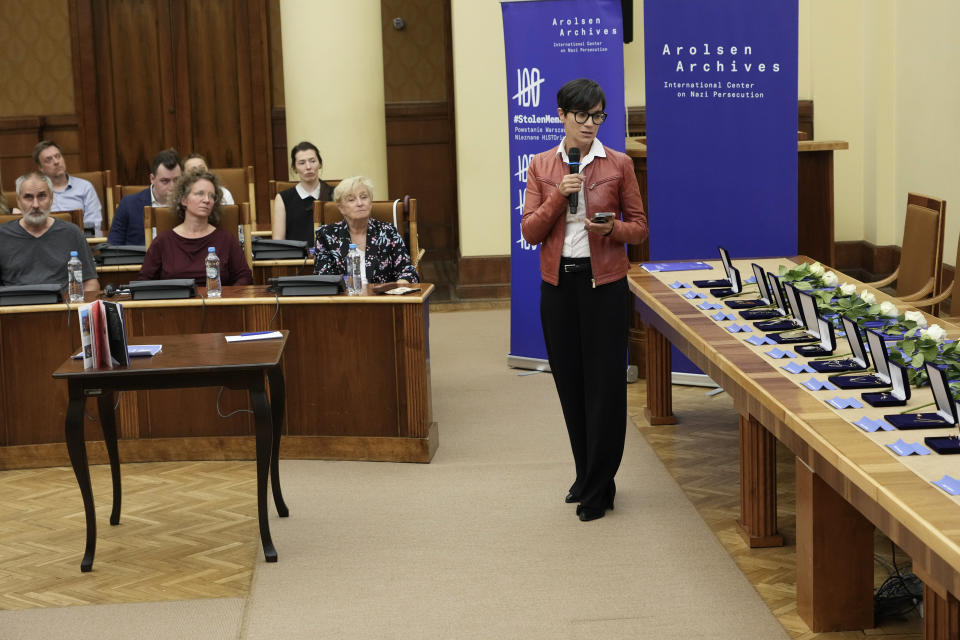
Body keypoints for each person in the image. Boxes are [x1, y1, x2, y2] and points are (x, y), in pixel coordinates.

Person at [521, 78, 648, 522]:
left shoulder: (619, 165)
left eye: (599, 116)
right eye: (583, 116)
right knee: (571, 386)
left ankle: (598, 487)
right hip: (558, 287)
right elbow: (530, 232)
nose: (591, 124)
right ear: (561, 115)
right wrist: (560, 194)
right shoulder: (540, 166)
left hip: (605, 287)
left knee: (606, 388)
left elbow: (640, 227)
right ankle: (588, 473)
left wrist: (612, 229)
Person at [138, 170, 252, 287]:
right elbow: (144, 282)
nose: (207, 200)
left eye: (211, 196)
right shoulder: (162, 241)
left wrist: (226, 298)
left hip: (217, 302)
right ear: (184, 200)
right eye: (200, 194)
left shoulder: (226, 239)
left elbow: (244, 277)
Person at [0, 172, 99, 291]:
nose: (35, 205)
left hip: (62, 306)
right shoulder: (2, 236)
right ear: (18, 201)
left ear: (51, 199)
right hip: (14, 308)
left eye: (42, 196)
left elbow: (90, 282)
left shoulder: (72, 233)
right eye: (28, 197)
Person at [313, 176, 418, 284]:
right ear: (341, 208)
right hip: (343, 299)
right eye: (351, 200)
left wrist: (402, 282)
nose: (360, 203)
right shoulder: (326, 235)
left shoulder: (388, 231)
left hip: (383, 299)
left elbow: (408, 271)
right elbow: (323, 277)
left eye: (364, 197)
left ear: (370, 202)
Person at [108, 148, 183, 246]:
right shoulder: (128, 205)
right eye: (165, 181)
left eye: (177, 180)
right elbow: (113, 246)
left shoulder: (188, 204)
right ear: (152, 178)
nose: (172, 187)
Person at [33, 140, 103, 235]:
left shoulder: (85, 187)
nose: (56, 162)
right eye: (49, 160)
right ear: (41, 168)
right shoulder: (37, 192)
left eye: (58, 156)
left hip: (80, 240)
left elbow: (93, 224)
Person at [273, 141, 334, 243]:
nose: (308, 167)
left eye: (312, 161)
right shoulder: (283, 198)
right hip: (296, 258)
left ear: (320, 163)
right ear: (294, 168)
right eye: (302, 163)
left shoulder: (334, 194)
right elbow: (278, 242)